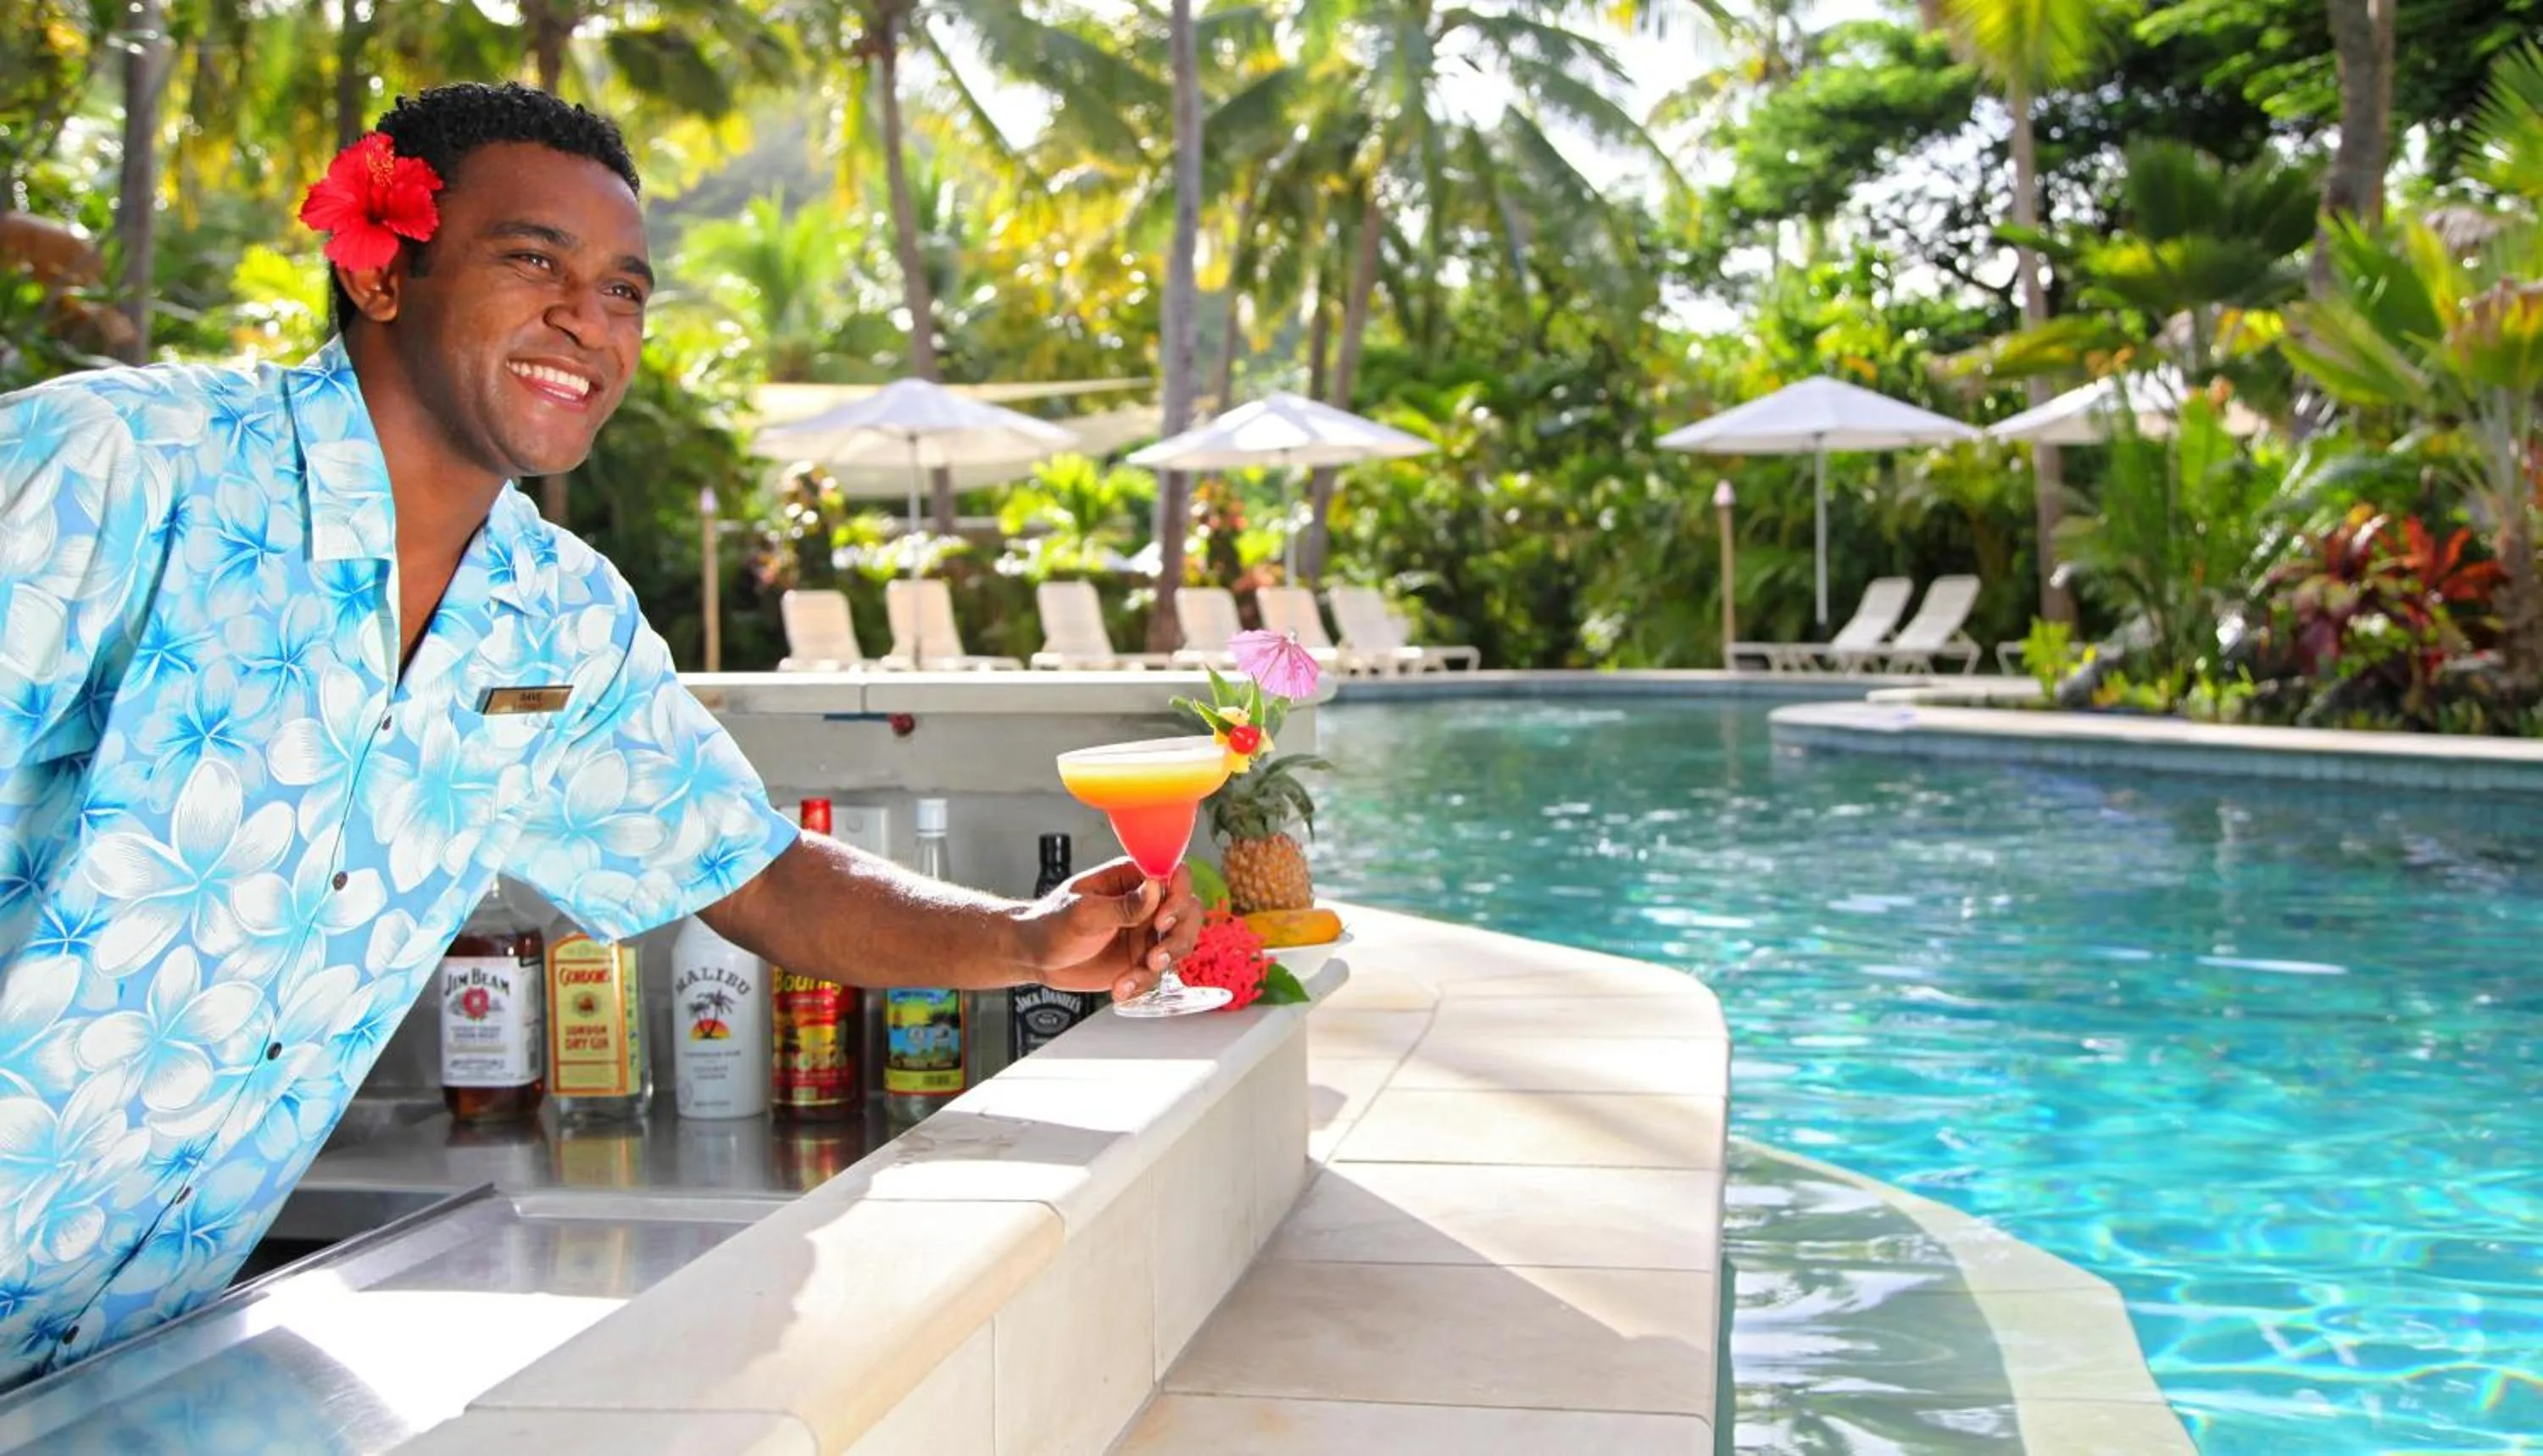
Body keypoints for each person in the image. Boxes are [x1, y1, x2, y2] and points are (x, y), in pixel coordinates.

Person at [0, 81, 1199, 1388]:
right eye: (534, 260)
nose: (591, 316)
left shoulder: (555, 620)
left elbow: (752, 869)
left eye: (626, 289)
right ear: (381, 270)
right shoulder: (124, 470)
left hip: (112, 1354)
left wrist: (1027, 940)